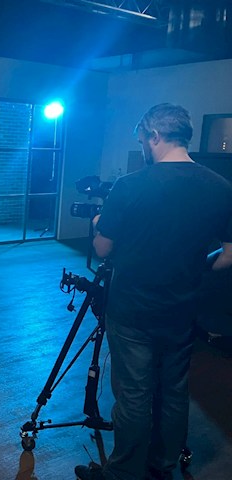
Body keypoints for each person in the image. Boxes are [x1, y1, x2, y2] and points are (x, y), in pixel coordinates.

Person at [75, 104, 232, 480]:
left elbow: (103, 249)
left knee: (134, 394)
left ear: (155, 136)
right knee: (174, 392)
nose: (143, 146)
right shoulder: (220, 186)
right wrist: (196, 269)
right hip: (182, 311)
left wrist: (98, 224)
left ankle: (123, 474)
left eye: (143, 139)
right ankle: (162, 468)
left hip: (132, 311)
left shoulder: (131, 185)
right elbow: (230, 253)